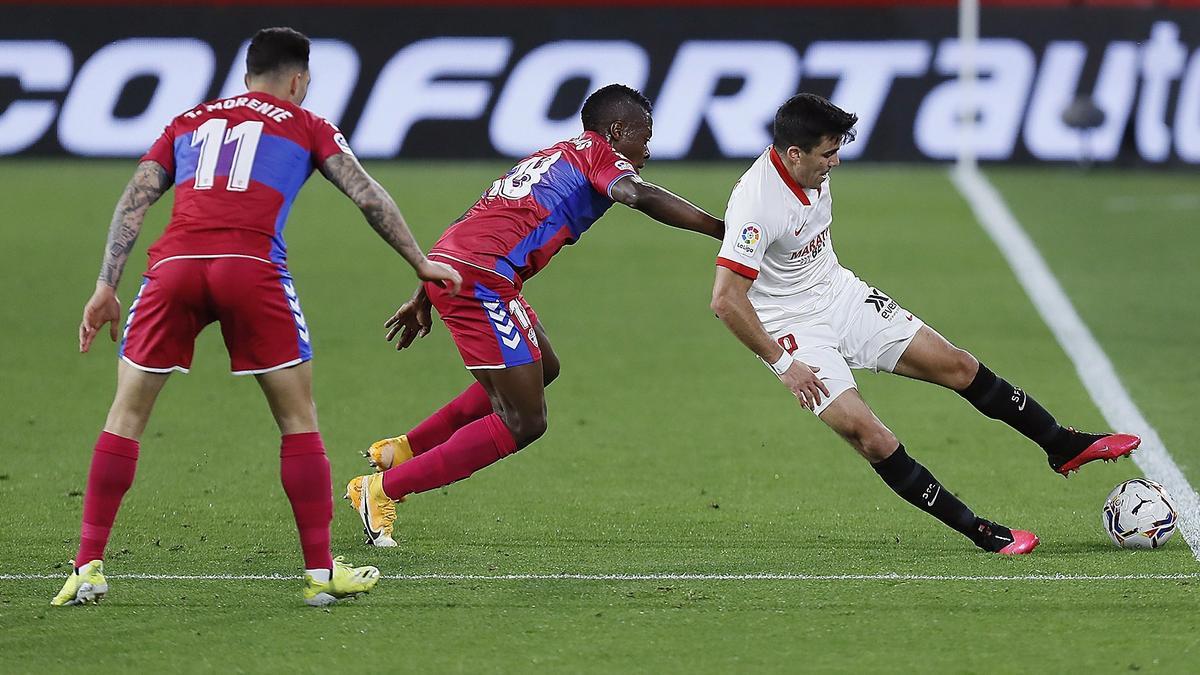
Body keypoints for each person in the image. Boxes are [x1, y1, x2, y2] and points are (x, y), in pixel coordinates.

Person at [51, 27, 461, 607]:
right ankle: (320, 574)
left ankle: (87, 565)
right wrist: (419, 261)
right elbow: (367, 195)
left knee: (126, 414)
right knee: (297, 419)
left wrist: (104, 286)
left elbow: (136, 197)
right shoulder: (307, 124)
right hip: (250, 267)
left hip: (173, 268)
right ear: (298, 80)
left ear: (248, 74)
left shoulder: (189, 120)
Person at [707, 93, 1139, 554]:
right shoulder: (758, 202)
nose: (836, 162)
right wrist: (784, 363)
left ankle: (1060, 444)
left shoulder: (807, 171)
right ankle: (979, 531)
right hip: (792, 328)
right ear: (795, 154)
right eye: (828, 154)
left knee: (958, 365)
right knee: (872, 437)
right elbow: (725, 301)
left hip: (840, 294)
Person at [344, 84, 724, 547]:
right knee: (525, 421)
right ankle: (380, 490)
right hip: (480, 281)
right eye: (643, 137)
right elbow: (636, 195)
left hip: (471, 269)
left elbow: (481, 217)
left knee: (544, 366)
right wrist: (719, 229)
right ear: (617, 130)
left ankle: (401, 451)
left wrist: (425, 289)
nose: (646, 150)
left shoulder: (556, 155)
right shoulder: (599, 153)